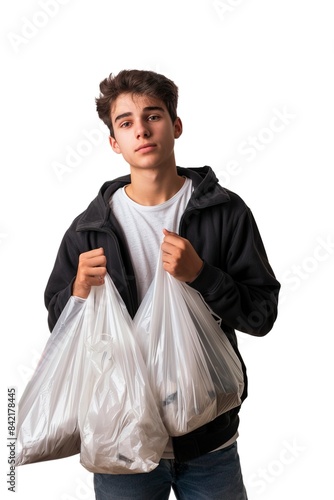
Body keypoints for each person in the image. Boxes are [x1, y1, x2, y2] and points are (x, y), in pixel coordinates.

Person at [44, 69, 280, 500]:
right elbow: (59, 329)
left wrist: (202, 276)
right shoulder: (90, 230)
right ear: (114, 142)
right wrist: (76, 293)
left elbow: (261, 316)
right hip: (121, 440)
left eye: (153, 116)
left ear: (176, 125)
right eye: (126, 122)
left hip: (209, 442)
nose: (142, 130)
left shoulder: (225, 213)